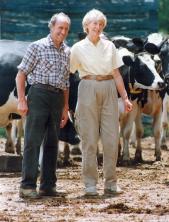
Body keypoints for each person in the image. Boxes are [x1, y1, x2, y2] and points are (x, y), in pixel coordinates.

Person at [70, 9, 133, 197]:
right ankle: (90, 184)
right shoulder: (77, 48)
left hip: (109, 87)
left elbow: (116, 74)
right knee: (89, 139)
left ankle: (111, 183)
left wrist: (125, 98)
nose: (97, 27)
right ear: (86, 26)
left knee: (111, 138)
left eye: (100, 24)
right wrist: (67, 103)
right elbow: (69, 74)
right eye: (94, 23)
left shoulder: (110, 46)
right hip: (87, 86)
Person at [16, 12, 71, 199]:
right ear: (52, 27)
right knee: (32, 141)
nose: (62, 32)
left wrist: (65, 108)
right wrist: (22, 100)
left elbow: (66, 84)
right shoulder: (37, 46)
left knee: (52, 143)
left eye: (66, 29)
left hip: (57, 99)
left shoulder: (67, 51)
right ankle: (27, 186)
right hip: (38, 95)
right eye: (60, 28)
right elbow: (21, 74)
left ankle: (48, 186)